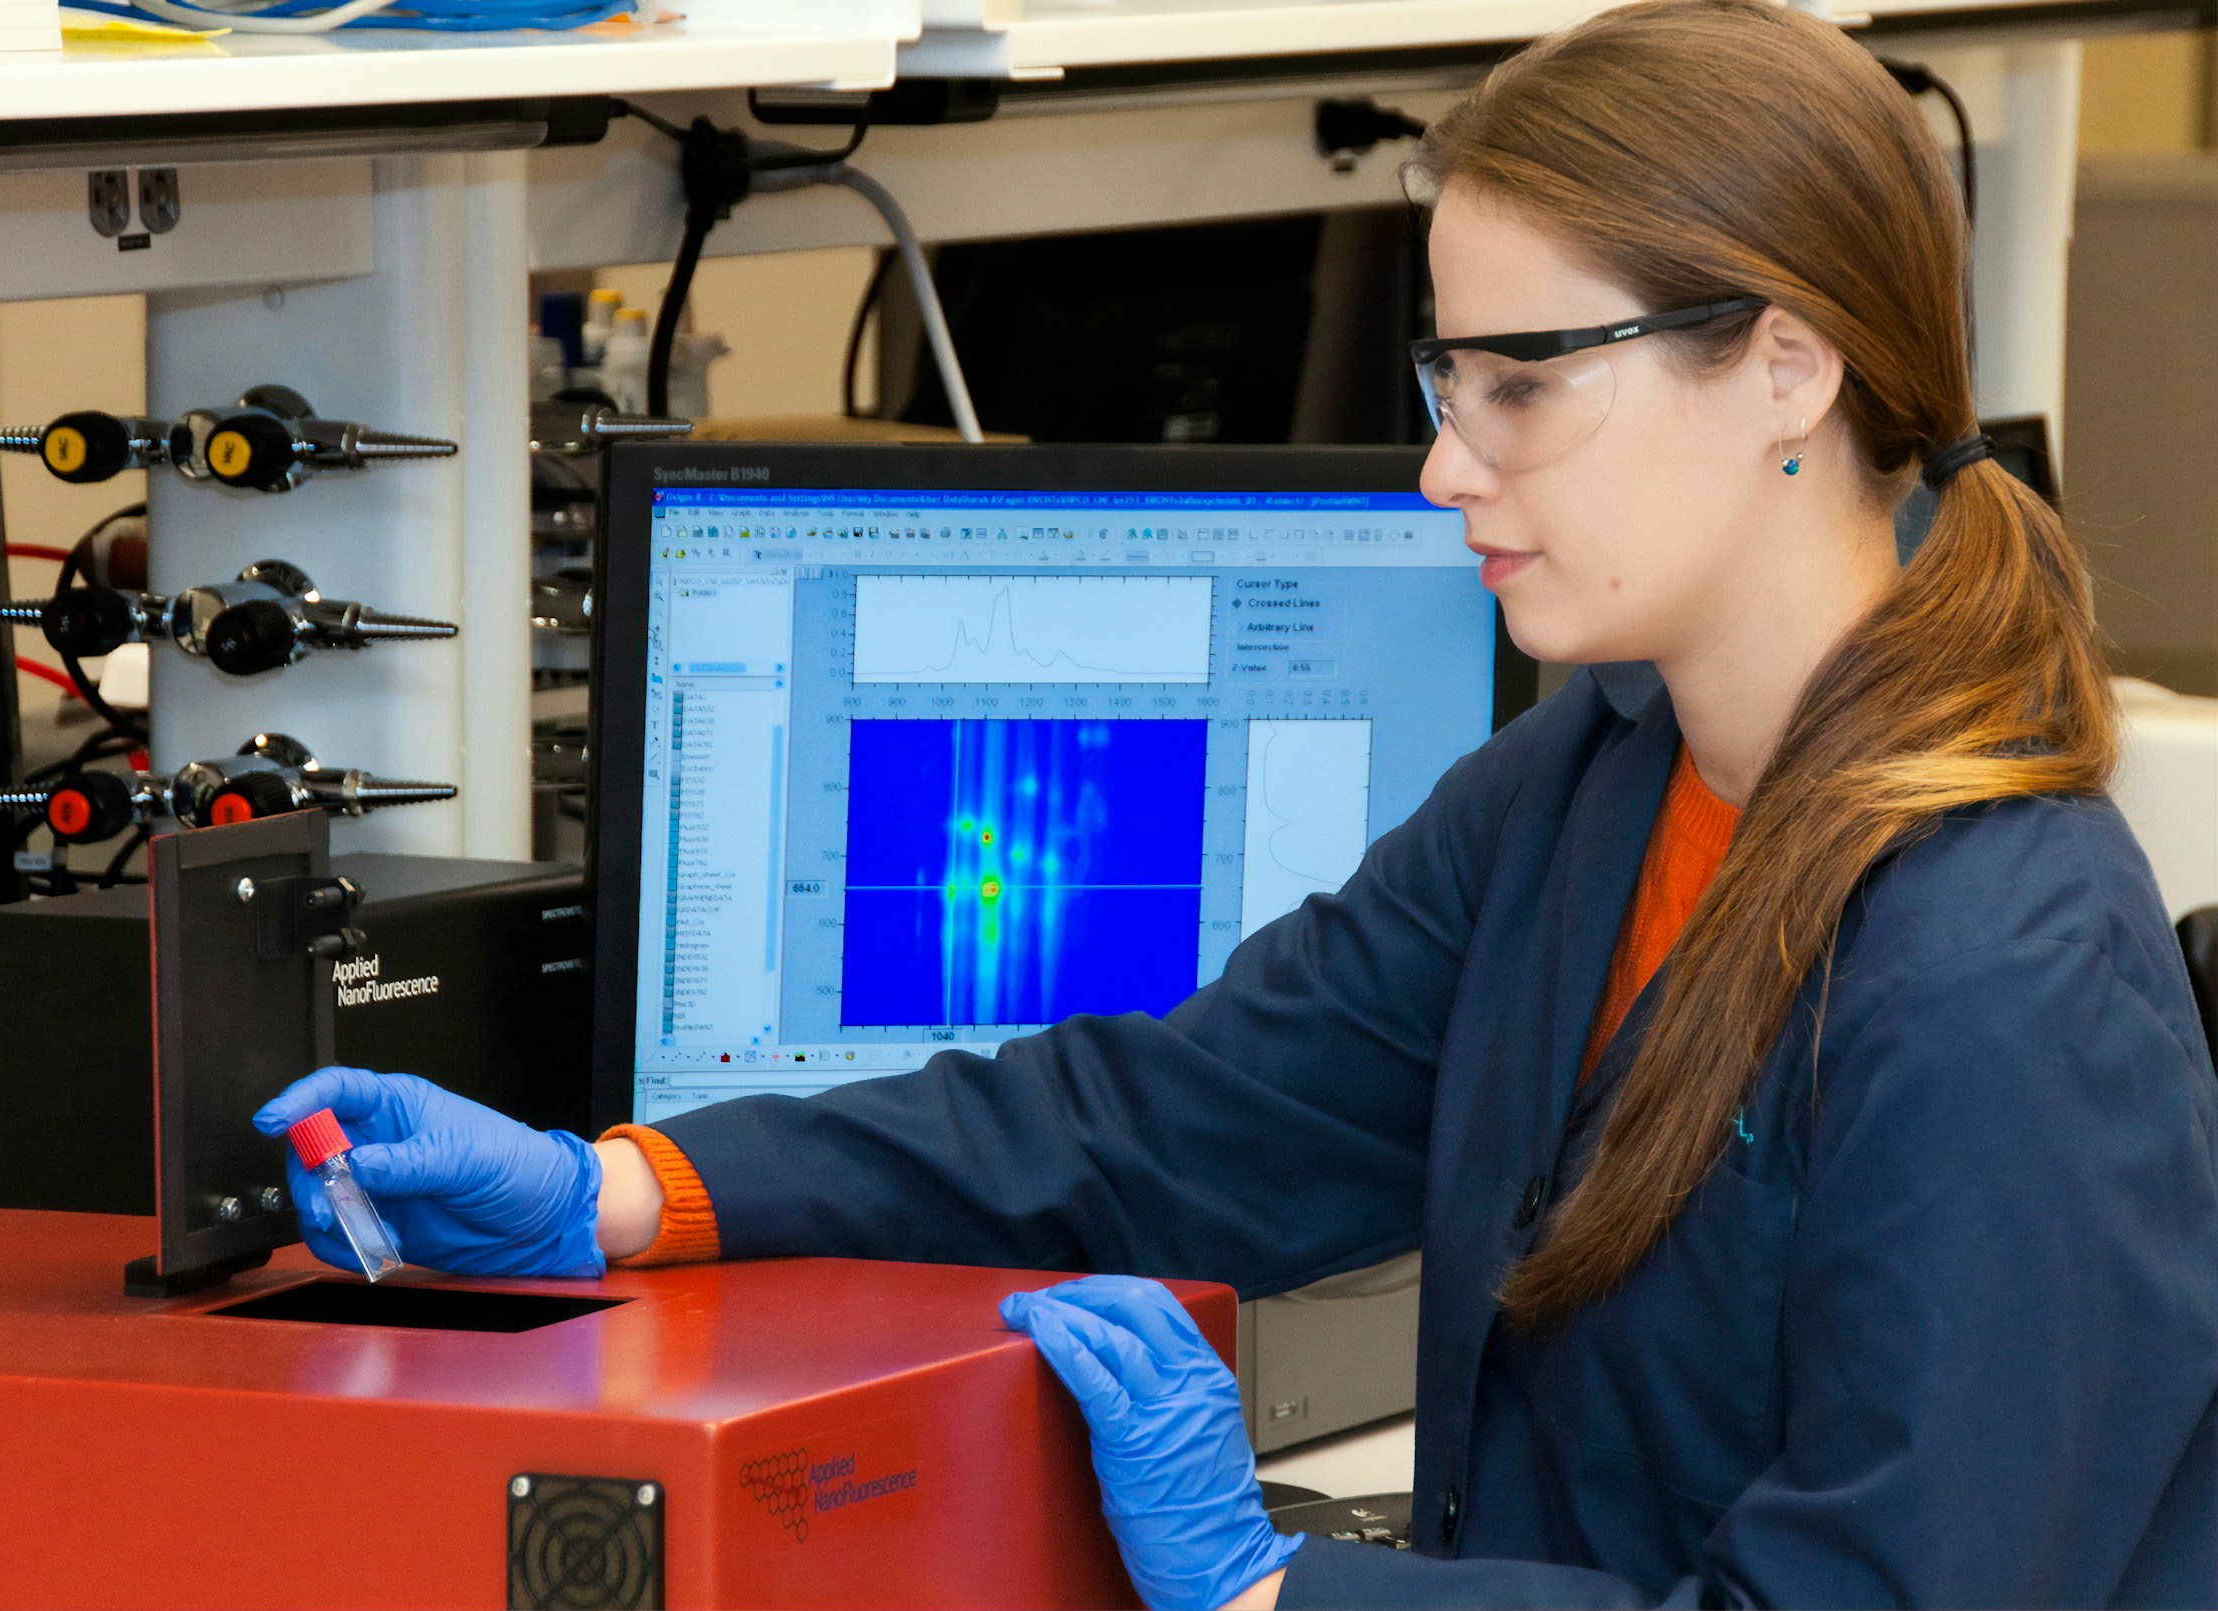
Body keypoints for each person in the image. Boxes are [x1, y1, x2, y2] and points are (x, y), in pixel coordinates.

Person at [255, 1, 2218, 1603]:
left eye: (1520, 386)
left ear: (1788, 364)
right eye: (1443, 378)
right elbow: (1155, 1120)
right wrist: (613, 1188)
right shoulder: (1584, 789)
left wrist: (1280, 1593)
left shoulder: (2003, 964)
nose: (1447, 467)